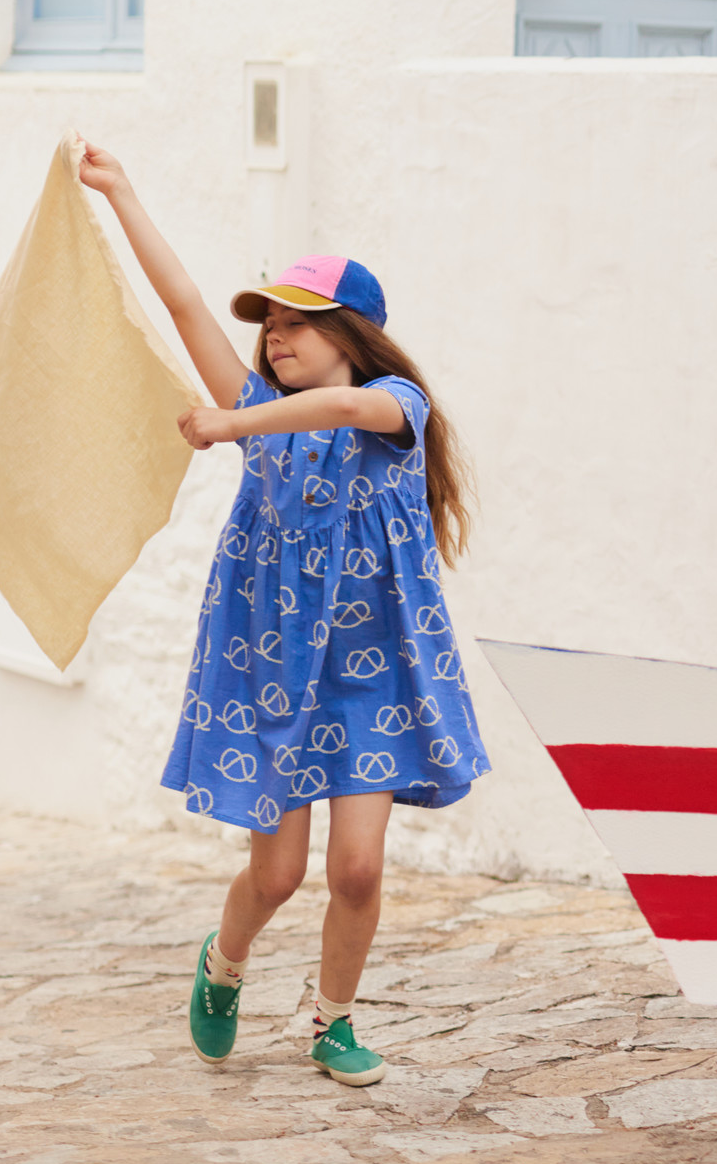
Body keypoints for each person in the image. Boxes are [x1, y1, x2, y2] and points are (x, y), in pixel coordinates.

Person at [78, 144, 489, 1087]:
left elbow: (343, 405)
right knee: (276, 875)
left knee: (357, 870)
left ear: (353, 333)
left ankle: (331, 1019)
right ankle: (223, 969)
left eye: (298, 324)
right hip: (276, 667)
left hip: (375, 671)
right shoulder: (265, 402)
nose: (275, 338)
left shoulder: (395, 404)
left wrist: (232, 424)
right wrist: (124, 193)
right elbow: (184, 302)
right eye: (268, 323)